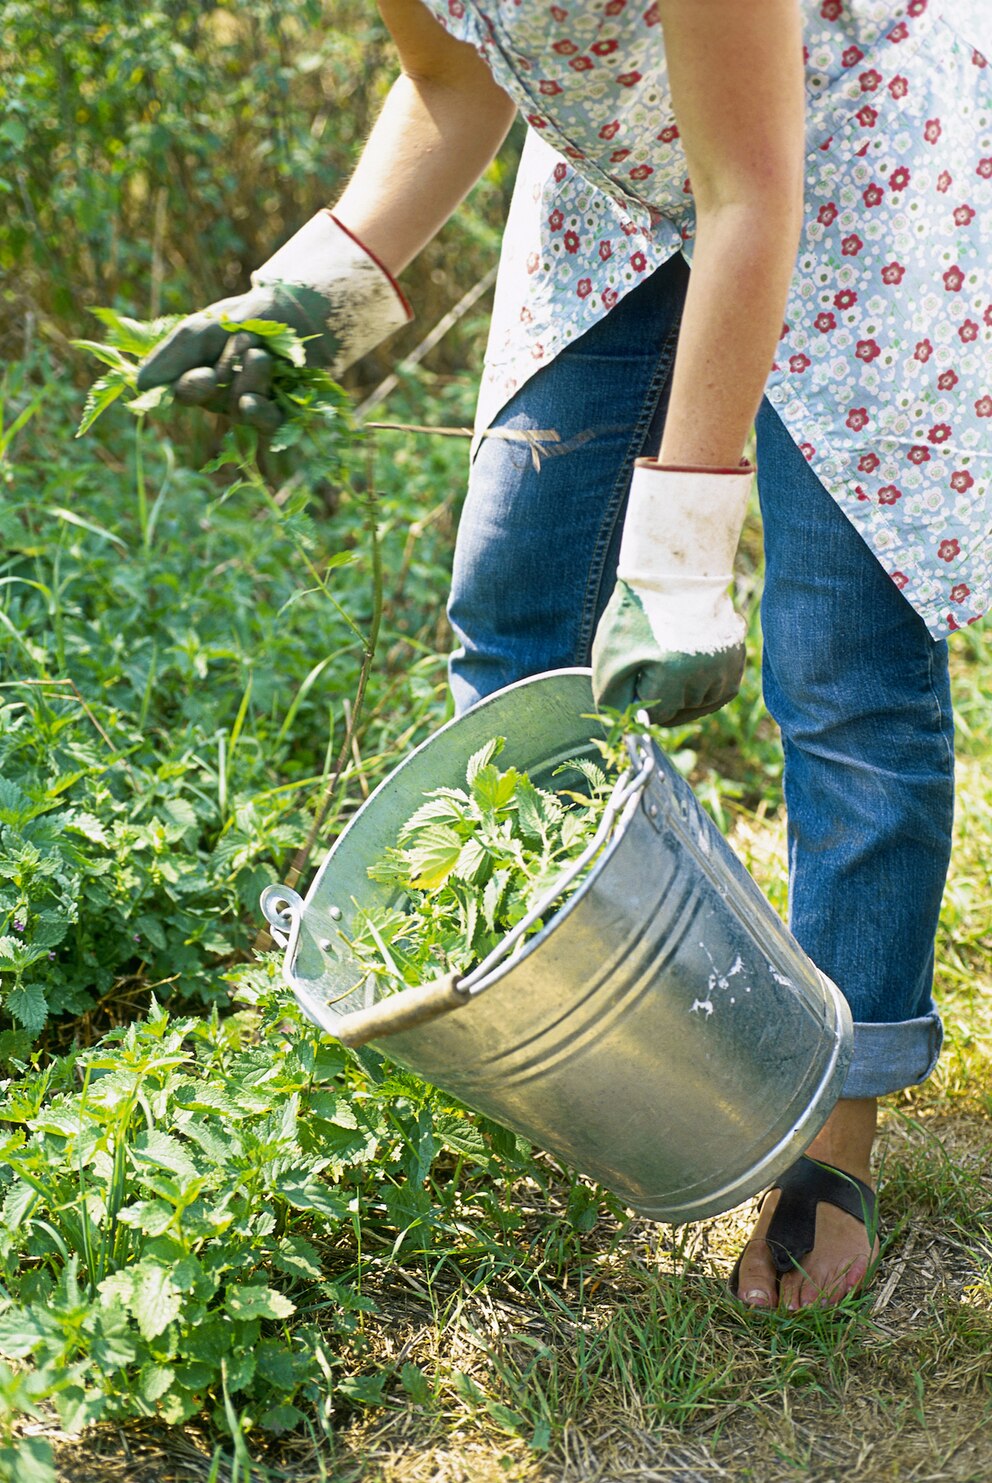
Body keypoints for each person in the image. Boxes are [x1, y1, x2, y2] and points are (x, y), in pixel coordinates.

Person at [135, 0, 992, 1309]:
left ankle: (833, 1128)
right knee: (515, 605)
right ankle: (590, 1048)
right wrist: (317, 288)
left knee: (842, 672)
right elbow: (451, 81)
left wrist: (686, 550)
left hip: (858, 144)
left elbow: (752, 194)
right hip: (627, 166)